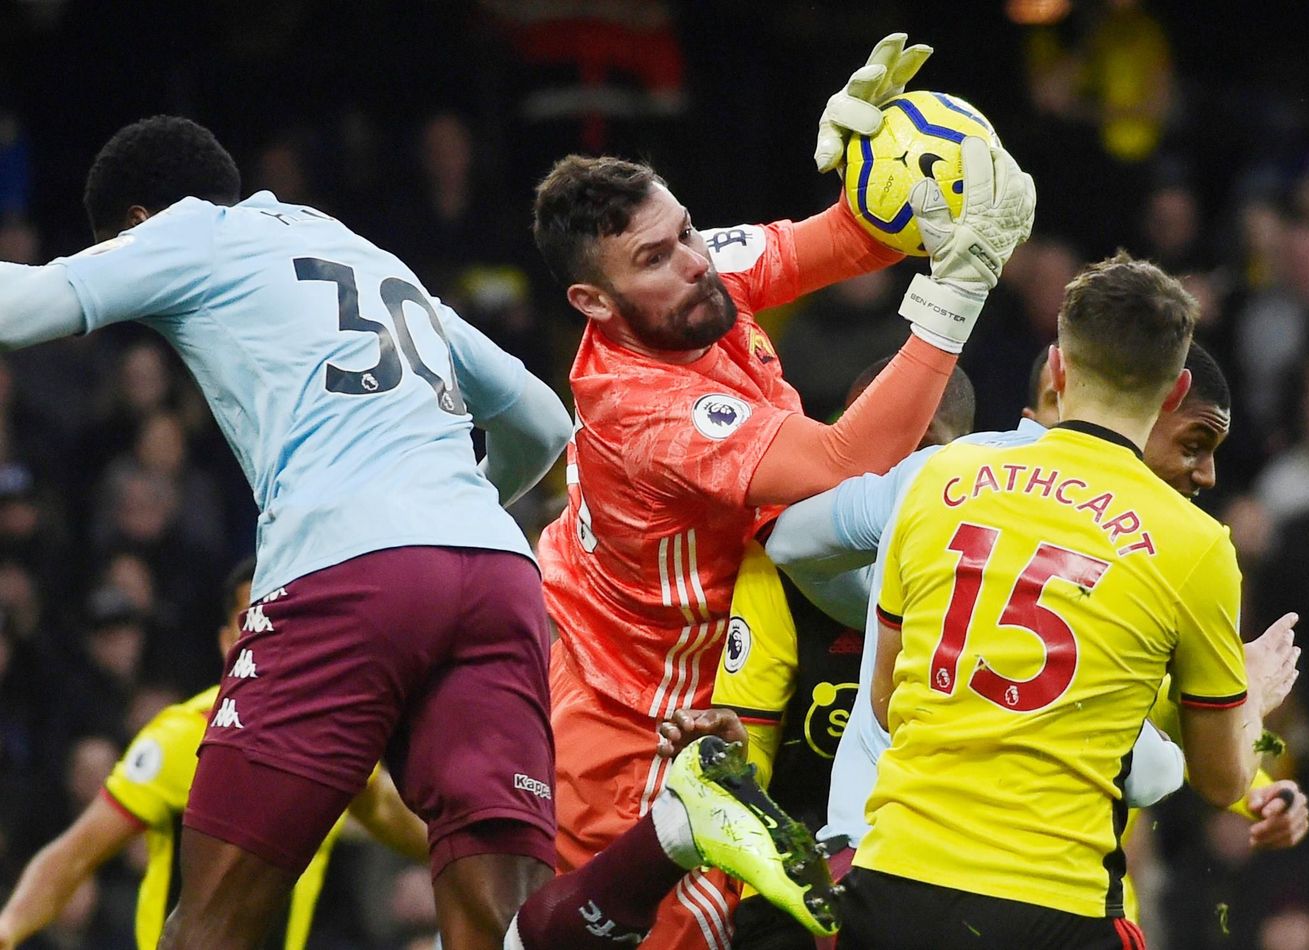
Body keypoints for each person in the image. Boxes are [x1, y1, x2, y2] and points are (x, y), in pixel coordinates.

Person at [0, 116, 838, 950]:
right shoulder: (359, 251)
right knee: (500, 931)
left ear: (136, 225)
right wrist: (444, 519)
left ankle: (673, 835)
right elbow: (540, 420)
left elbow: (22, 308)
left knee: (212, 924)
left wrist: (396, 542)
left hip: (344, 570)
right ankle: (669, 837)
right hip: (496, 578)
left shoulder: (184, 232)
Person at [530, 32, 1036, 949]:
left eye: (687, 232)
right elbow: (846, 461)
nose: (694, 261)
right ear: (593, 303)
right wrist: (958, 293)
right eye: (655, 258)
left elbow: (834, 242)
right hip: (639, 721)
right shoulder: (646, 412)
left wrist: (881, 182)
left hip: (723, 659)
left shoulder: (688, 279)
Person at [837, 252, 1285, 948]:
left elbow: (887, 698)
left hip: (893, 883)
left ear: (1057, 368)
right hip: (1050, 907)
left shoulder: (941, 477)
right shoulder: (1195, 543)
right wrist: (1253, 695)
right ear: (1176, 390)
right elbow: (1222, 780)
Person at [0, 559, 431, 950]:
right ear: (228, 642)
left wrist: (462, 855)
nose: (273, 640)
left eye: (289, 624)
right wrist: (9, 927)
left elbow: (388, 813)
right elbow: (73, 854)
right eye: (255, 625)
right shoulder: (182, 737)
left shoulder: (334, 739)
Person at [711, 358, 976, 949]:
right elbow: (748, 757)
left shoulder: (988, 582)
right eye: (880, 446)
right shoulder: (775, 568)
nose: (897, 471)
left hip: (940, 876)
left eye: (921, 450)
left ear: (961, 457)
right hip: (792, 883)